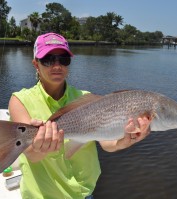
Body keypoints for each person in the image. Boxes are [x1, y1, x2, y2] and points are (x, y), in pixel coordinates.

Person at [8, 32, 152, 199]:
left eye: (63, 59)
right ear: (36, 64)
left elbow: (107, 143)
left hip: (84, 193)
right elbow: (32, 154)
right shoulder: (20, 100)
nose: (57, 66)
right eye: (48, 59)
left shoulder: (86, 98)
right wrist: (40, 147)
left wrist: (125, 141)